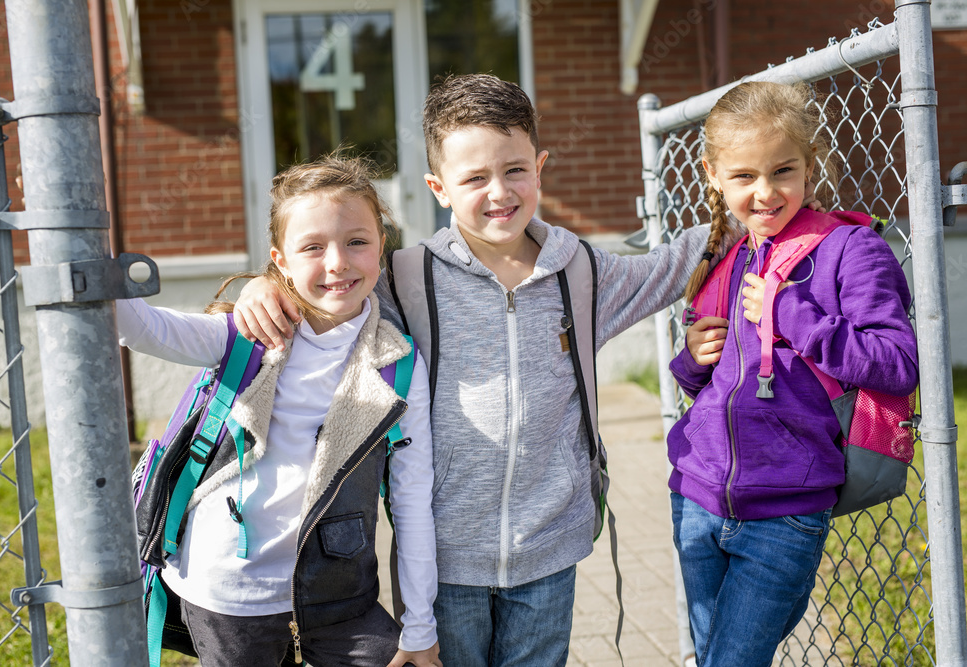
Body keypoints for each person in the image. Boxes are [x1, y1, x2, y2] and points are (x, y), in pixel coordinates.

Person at [233, 73, 739, 666]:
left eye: (514, 170)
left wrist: (752, 204)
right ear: (439, 188)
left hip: (551, 550)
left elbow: (669, 265)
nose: (499, 192)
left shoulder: (579, 273)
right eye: (474, 178)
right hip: (445, 559)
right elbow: (326, 293)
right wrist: (259, 287)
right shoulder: (404, 279)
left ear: (540, 166)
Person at [117, 155, 441, 667]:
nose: (337, 262)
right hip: (228, 594)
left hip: (339, 599)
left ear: (382, 247)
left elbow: (412, 497)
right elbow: (142, 329)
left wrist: (420, 627)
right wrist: (76, 224)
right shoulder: (244, 335)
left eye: (357, 241)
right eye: (312, 247)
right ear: (281, 260)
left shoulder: (398, 365)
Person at [667, 81, 919, 666]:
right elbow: (714, 387)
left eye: (782, 170)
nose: (764, 192)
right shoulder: (732, 256)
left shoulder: (851, 251)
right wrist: (691, 360)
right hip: (698, 498)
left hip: (785, 510)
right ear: (712, 174)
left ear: (811, 165)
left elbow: (897, 363)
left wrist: (792, 315)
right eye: (743, 176)